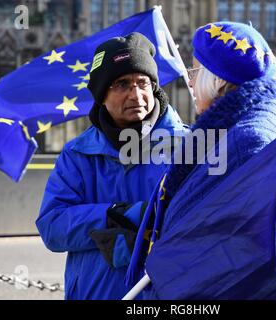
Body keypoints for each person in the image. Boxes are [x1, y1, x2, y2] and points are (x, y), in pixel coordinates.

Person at [127, 21, 276, 299]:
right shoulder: (235, 129)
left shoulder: (249, 141)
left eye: (194, 70)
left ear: (219, 79)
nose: (189, 80)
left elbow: (246, 251)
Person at [36, 32, 188, 300]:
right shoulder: (77, 154)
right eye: (122, 84)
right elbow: (52, 227)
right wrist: (119, 214)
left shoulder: (189, 147)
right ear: (101, 94)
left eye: (143, 82)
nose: (136, 94)